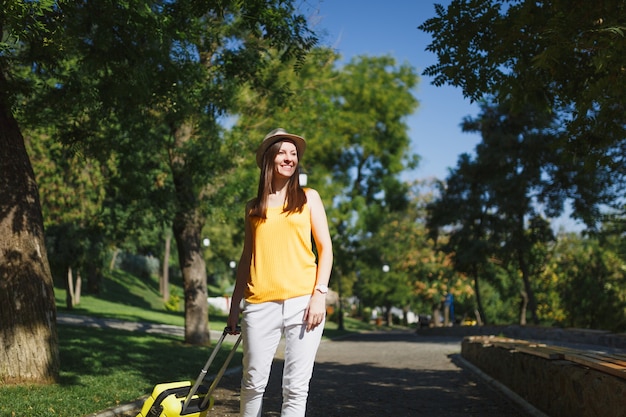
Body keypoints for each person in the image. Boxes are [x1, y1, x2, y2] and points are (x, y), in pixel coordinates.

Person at [227, 128, 333, 417]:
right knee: (252, 383)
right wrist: (235, 305)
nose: (289, 158)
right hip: (259, 304)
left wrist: (319, 295)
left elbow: (326, 249)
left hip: (303, 302)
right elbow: (247, 257)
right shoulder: (253, 208)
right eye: (282, 152)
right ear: (268, 160)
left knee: (296, 387)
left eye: (294, 153)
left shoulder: (309, 198)